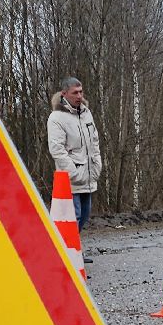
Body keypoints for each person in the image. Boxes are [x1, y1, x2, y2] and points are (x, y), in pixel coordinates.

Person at [47, 77, 102, 231]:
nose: (79, 96)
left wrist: (97, 165)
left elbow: (95, 141)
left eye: (81, 92)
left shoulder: (86, 113)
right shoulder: (56, 118)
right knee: (73, 217)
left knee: (84, 216)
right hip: (71, 179)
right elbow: (57, 149)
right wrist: (74, 173)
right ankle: (70, 254)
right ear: (64, 94)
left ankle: (74, 252)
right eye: (75, 93)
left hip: (89, 175)